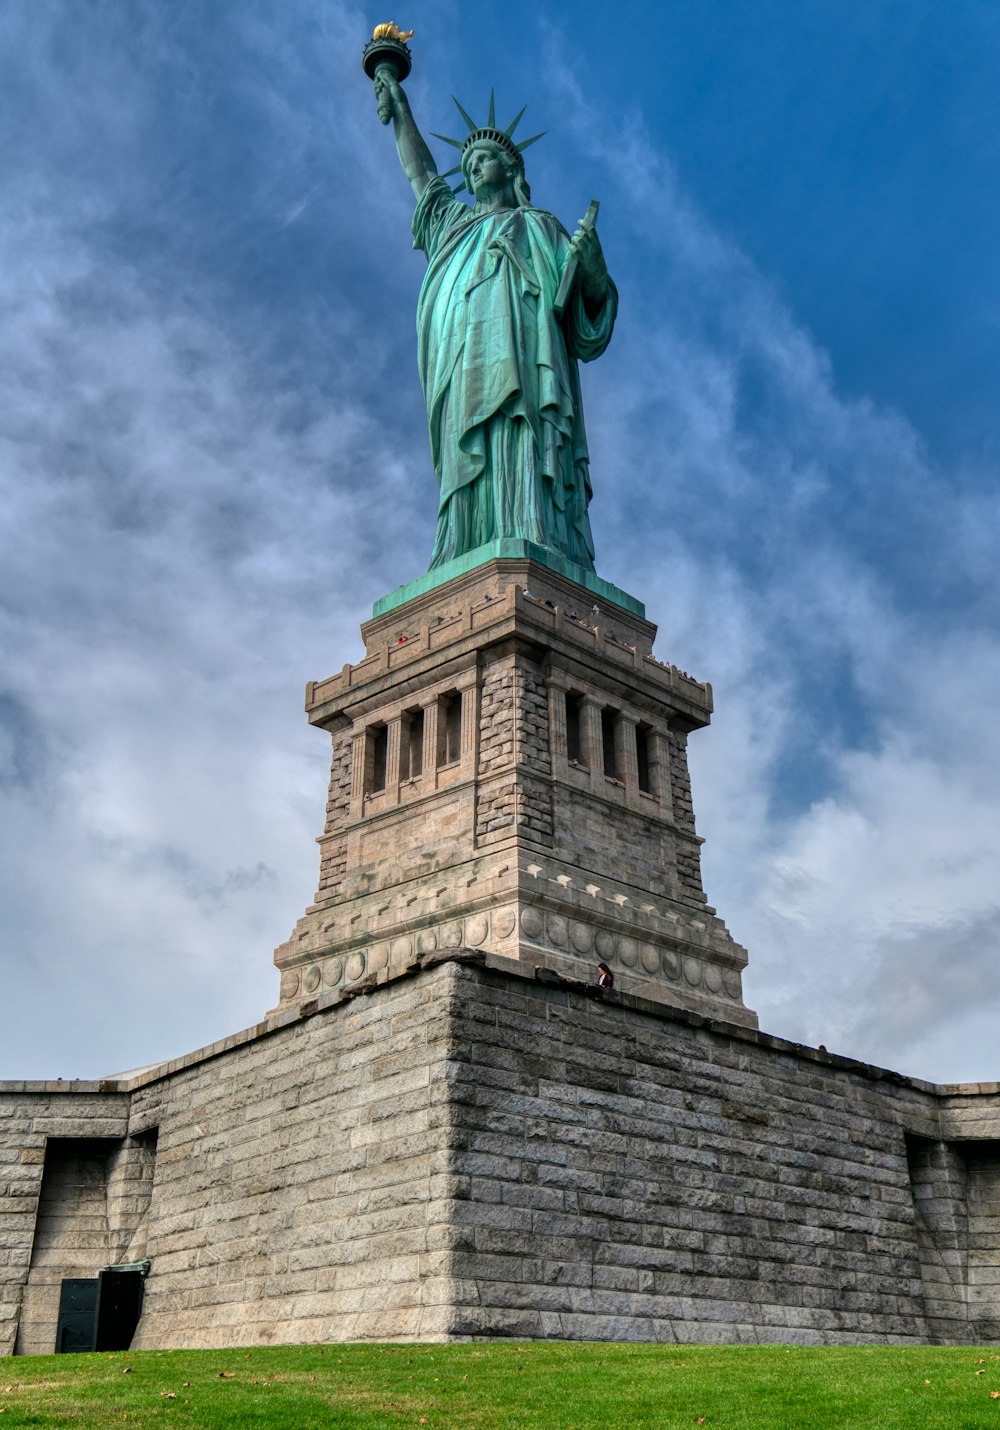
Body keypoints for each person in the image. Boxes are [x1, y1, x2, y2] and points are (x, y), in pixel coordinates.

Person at [374, 69, 618, 571]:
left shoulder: (540, 225)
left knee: (523, 433)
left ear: (509, 168)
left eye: (483, 159)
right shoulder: (453, 228)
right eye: (467, 163)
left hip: (529, 361)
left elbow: (581, 319)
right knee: (471, 445)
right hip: (465, 361)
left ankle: (533, 528)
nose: (473, 169)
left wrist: (592, 272)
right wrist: (400, 108)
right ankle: (465, 542)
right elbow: (421, 177)